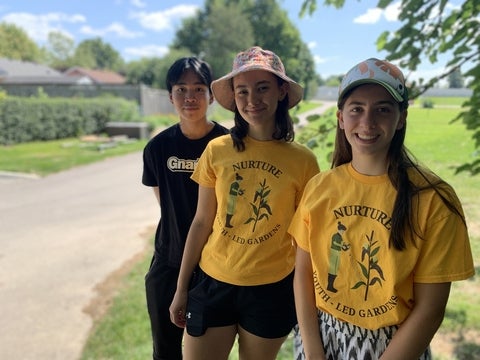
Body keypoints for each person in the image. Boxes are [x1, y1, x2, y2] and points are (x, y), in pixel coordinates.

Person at [289, 58, 475, 360]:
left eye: (383, 109)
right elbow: (303, 272)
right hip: (319, 339)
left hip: (394, 345)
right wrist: (312, 352)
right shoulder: (320, 187)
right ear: (340, 117)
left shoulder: (434, 199)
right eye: (356, 109)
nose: (367, 122)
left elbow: (430, 310)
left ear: (401, 118)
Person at [169, 46, 320, 360]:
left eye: (263, 88)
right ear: (234, 98)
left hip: (272, 289)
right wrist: (182, 287)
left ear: (281, 91)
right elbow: (201, 222)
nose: (252, 100)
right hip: (213, 282)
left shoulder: (303, 161)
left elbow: (308, 239)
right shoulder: (217, 150)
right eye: (243, 91)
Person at [142, 57, 229, 360]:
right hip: (168, 261)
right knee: (164, 350)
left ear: (211, 96)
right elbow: (164, 203)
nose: (189, 98)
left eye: (198, 89)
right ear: (170, 96)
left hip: (214, 269)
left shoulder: (227, 144)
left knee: (205, 351)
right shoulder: (157, 148)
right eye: (181, 90)